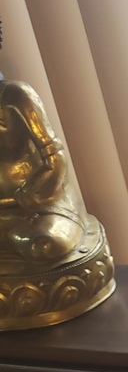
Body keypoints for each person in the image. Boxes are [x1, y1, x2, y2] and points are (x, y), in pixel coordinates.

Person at [0, 77, 85, 268]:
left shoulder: (15, 95)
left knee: (45, 245)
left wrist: (30, 194)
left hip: (40, 205)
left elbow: (55, 157)